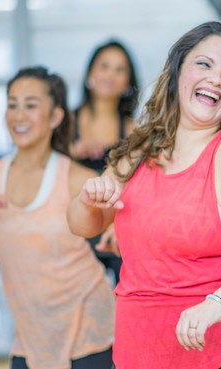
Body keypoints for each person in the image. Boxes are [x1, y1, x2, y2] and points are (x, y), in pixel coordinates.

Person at [67, 21, 221, 369]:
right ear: (176, 73)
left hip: (220, 351)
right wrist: (86, 200)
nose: (216, 79)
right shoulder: (139, 150)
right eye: (204, 64)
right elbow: (84, 226)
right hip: (136, 351)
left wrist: (217, 303)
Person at [0, 66, 116, 369]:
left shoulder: (75, 178)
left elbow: (127, 225)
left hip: (90, 329)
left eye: (30, 106)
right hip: (31, 339)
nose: (18, 116)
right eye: (12, 104)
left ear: (55, 117)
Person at [70, 39, 140, 285]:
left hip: (115, 229)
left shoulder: (133, 130)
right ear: (90, 72)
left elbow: (139, 186)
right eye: (105, 66)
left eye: (120, 70)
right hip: (72, 228)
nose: (110, 75)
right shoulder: (65, 123)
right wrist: (70, 151)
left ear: (128, 82)